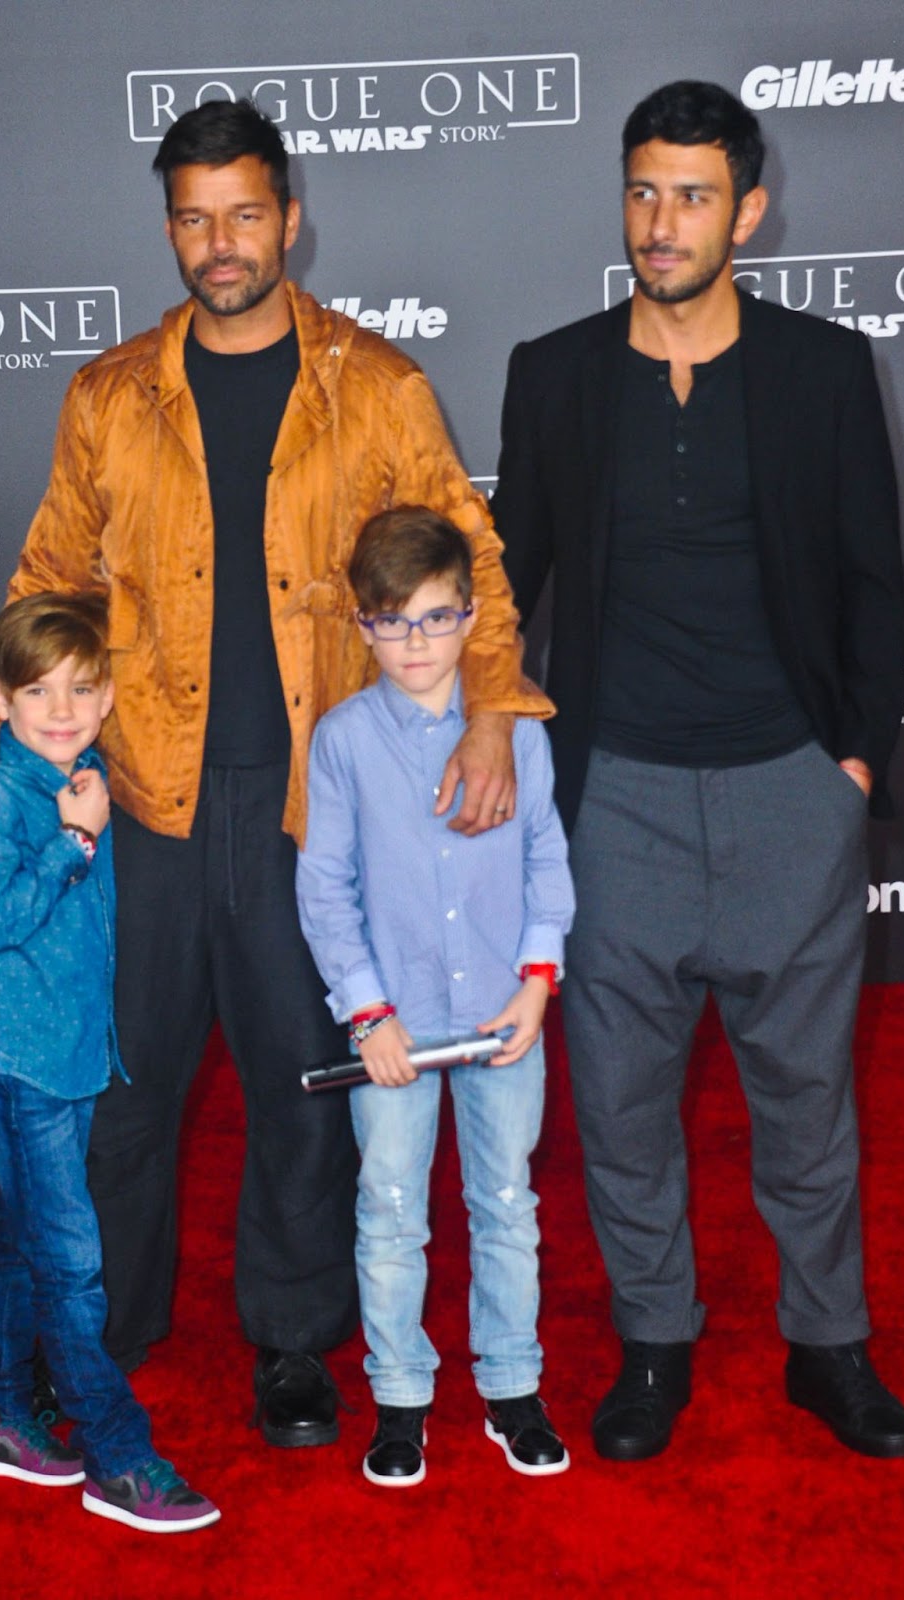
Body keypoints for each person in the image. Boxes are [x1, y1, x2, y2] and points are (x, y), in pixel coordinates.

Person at [0, 98, 548, 1447]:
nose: (221, 244)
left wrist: (495, 707)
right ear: (170, 227)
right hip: (141, 794)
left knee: (298, 1086)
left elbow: (471, 562)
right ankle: (102, 1329)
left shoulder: (376, 387)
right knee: (123, 1090)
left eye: (246, 214)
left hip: (311, 807)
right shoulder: (107, 395)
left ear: (291, 216)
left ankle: (288, 1341)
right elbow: (48, 578)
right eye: (195, 219)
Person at [491, 80, 904, 1462]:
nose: (658, 223)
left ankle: (827, 1347)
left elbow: (871, 588)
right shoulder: (553, 374)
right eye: (640, 191)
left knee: (807, 1099)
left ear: (749, 209)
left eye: (688, 196)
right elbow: (509, 594)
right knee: (619, 1103)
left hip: (790, 787)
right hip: (614, 796)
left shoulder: (821, 368)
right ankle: (655, 1348)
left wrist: (850, 765)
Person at [295, 507, 574, 1487]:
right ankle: (402, 1398)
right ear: (361, 625)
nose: (414, 642)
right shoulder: (342, 740)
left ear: (470, 616)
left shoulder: (520, 728)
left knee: (505, 1201)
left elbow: (546, 854)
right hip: (396, 1031)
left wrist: (538, 981)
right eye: (390, 620)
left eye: (434, 617)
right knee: (391, 1210)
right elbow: (325, 887)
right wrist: (368, 1013)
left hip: (507, 1015)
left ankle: (511, 1387)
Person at [0, 592, 219, 1534]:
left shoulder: (89, 771)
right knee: (72, 1265)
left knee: (24, 1242)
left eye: (81, 689)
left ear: (107, 699)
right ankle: (118, 1455)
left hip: (67, 1052)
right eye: (38, 691)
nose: (60, 709)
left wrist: (83, 815)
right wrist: (74, 840)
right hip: (18, 1055)